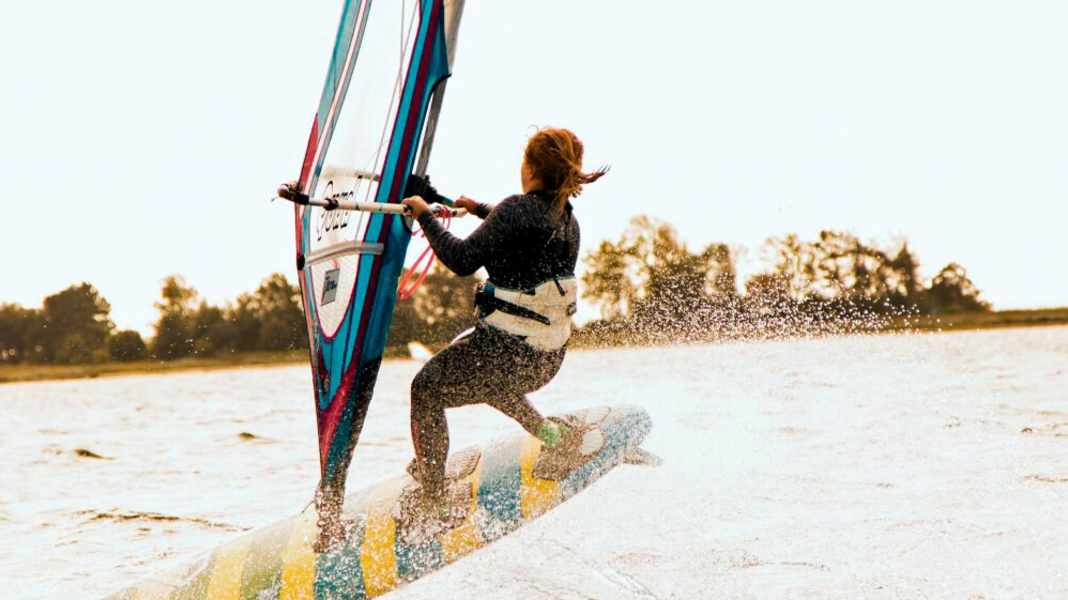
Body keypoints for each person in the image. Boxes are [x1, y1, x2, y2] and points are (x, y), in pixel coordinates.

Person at [399, 127, 607, 525]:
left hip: (506, 354)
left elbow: (461, 259)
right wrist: (479, 209)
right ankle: (554, 439)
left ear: (530, 168)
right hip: (545, 361)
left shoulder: (517, 210)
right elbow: (525, 231)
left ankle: (432, 499)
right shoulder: (567, 220)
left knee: (425, 390)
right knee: (491, 380)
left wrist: (425, 216)